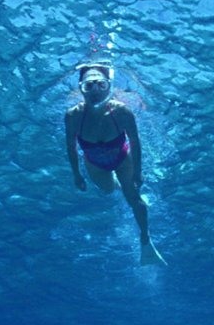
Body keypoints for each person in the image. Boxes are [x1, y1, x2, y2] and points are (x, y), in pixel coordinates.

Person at [65, 63, 166, 266]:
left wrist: (137, 172)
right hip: (95, 164)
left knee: (135, 200)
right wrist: (76, 174)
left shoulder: (122, 112)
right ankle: (121, 185)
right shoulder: (73, 116)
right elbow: (70, 146)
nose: (94, 91)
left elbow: (136, 142)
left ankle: (146, 242)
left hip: (122, 160)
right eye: (89, 86)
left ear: (109, 87)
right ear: (81, 88)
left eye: (100, 85)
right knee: (109, 190)